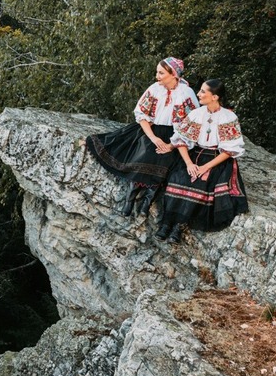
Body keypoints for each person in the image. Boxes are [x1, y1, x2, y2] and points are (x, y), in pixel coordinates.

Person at [85, 57, 199, 216]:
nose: (157, 76)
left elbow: (190, 126)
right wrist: (153, 138)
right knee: (144, 152)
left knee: (164, 160)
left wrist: (171, 145)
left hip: (174, 135)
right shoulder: (155, 88)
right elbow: (142, 116)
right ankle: (130, 199)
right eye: (157, 72)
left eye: (161, 73)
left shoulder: (186, 93)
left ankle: (147, 201)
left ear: (173, 74)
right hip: (150, 130)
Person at [153, 78, 249, 242]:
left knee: (201, 184)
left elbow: (229, 151)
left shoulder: (228, 117)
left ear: (215, 97)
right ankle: (167, 222)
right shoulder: (196, 114)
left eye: (203, 91)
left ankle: (180, 225)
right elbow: (181, 140)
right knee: (178, 178)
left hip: (216, 158)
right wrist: (189, 164)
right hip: (195, 154)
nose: (199, 94)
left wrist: (205, 168)